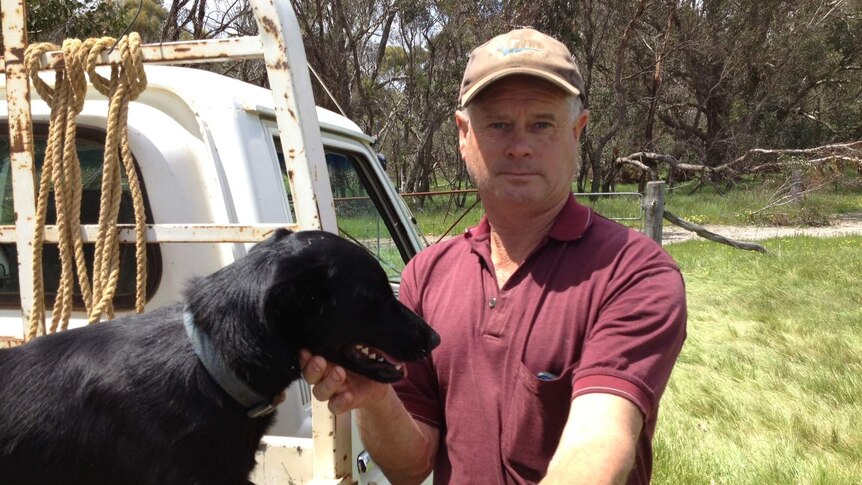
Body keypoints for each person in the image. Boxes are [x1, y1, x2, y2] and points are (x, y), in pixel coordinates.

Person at [301, 28, 687, 485]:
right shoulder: (426, 274)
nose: (519, 145)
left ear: (577, 132)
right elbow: (411, 466)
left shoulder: (633, 272)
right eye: (499, 124)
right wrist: (377, 399)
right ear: (464, 135)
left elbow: (599, 444)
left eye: (542, 124)